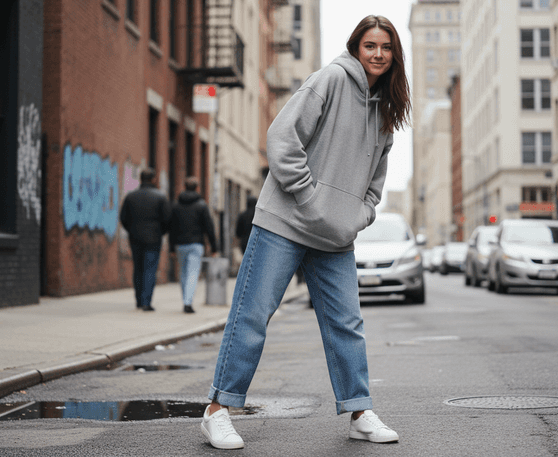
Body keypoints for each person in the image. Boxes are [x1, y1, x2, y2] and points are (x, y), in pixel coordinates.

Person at [199, 15, 411, 450]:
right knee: (253, 316)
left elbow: (374, 185)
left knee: (346, 324)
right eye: (370, 45)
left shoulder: (385, 113)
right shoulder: (331, 79)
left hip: (335, 238)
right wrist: (308, 197)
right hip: (285, 222)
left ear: (394, 56)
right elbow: (281, 137)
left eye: (386, 48)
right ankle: (218, 411)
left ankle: (358, 411)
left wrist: (358, 216)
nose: (377, 54)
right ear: (357, 47)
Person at [119, 169, 171, 311]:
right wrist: (160, 232)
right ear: (153, 179)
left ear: (141, 179)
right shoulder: (160, 197)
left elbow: (123, 218)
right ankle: (146, 302)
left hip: (135, 237)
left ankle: (138, 300)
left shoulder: (131, 196)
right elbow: (167, 220)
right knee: (150, 270)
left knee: (138, 268)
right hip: (153, 239)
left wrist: (132, 230)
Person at [169, 176, 219, 314]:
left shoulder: (176, 205)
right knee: (192, 273)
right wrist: (214, 247)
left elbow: (171, 228)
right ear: (197, 188)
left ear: (184, 187)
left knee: (183, 273)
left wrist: (171, 247)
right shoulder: (201, 205)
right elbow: (209, 227)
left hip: (180, 245)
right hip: (196, 244)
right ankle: (187, 302)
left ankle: (186, 300)